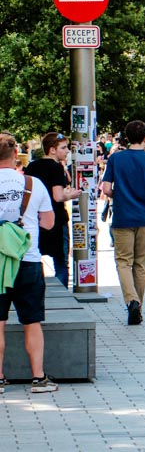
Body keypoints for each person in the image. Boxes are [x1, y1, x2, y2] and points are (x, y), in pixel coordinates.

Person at [0, 131, 58, 393]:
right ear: (15, 155)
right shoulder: (33, 184)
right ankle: (38, 378)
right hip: (28, 260)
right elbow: (48, 223)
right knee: (31, 321)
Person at [99, 121, 145, 326]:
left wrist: (119, 195)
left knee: (123, 261)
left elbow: (106, 188)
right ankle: (138, 305)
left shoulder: (116, 159)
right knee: (140, 264)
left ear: (127, 138)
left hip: (122, 217)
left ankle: (131, 300)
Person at [24, 132, 82, 288]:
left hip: (35, 219)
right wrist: (71, 195)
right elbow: (57, 196)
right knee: (61, 262)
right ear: (52, 150)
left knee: (34, 257)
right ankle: (62, 293)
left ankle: (36, 289)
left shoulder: (32, 166)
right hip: (56, 219)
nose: (67, 151)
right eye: (63, 148)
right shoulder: (55, 167)